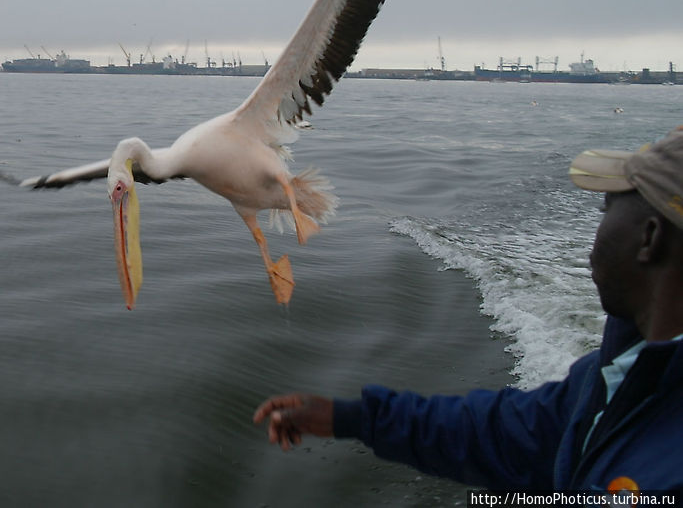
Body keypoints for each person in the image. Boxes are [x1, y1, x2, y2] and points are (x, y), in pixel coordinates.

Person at [254, 127, 683, 496]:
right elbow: (508, 433)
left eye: (606, 208)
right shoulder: (623, 372)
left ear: (649, 238)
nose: (597, 231)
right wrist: (353, 418)